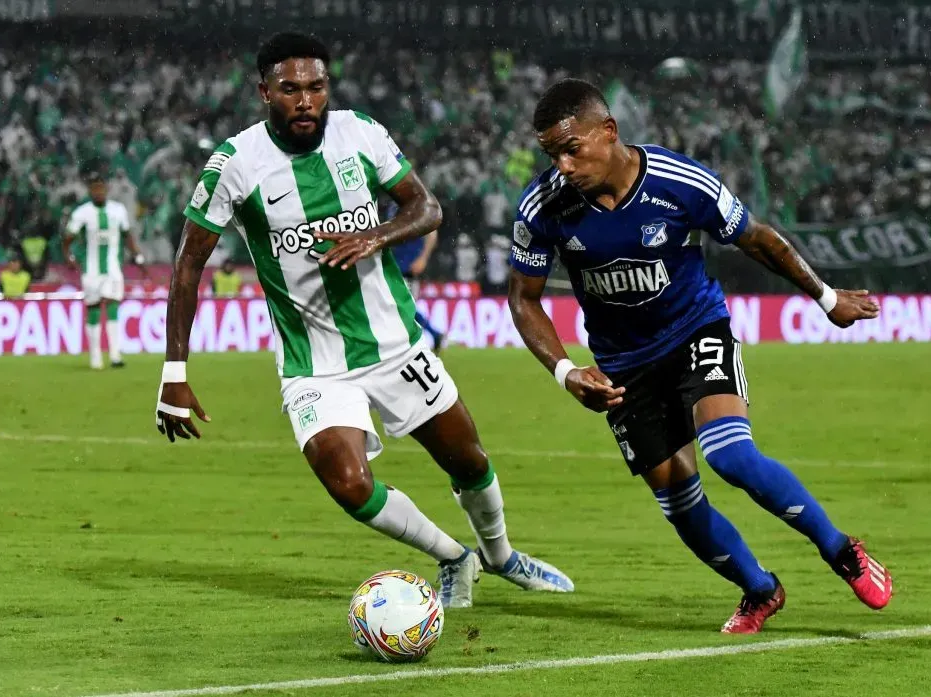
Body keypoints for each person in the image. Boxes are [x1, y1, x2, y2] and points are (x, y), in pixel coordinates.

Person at [154, 33, 573, 608]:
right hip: (314, 364)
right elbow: (188, 265)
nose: (305, 100)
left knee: (468, 459)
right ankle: (454, 557)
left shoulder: (362, 134)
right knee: (348, 482)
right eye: (290, 89)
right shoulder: (234, 164)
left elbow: (426, 209)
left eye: (316, 87)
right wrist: (173, 370)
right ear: (264, 92)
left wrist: (373, 236)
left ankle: (502, 556)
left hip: (396, 344)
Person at [507, 78, 891, 633]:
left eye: (572, 149)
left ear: (608, 132)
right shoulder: (543, 207)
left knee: (730, 456)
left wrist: (826, 297)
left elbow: (755, 237)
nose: (562, 165)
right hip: (622, 364)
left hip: (694, 331)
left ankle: (840, 551)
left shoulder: (679, 182)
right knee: (677, 498)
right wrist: (567, 372)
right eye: (552, 154)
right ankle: (760, 589)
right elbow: (523, 298)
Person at [63, 171, 146, 369]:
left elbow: (128, 236)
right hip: (91, 270)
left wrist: (138, 256)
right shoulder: (81, 212)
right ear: (90, 191)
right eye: (95, 189)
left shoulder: (118, 210)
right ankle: (95, 358)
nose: (98, 192)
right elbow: (67, 238)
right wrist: (69, 257)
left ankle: (115, 355)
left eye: (101, 188)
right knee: (93, 308)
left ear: (107, 190)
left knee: (112, 306)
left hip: (112, 269)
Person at [388, 199, 445, 353]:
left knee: (404, 307)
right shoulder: (393, 206)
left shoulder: (414, 203)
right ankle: (432, 335)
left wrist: (423, 258)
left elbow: (432, 233)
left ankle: (426, 338)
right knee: (399, 307)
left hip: (409, 268)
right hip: (395, 266)